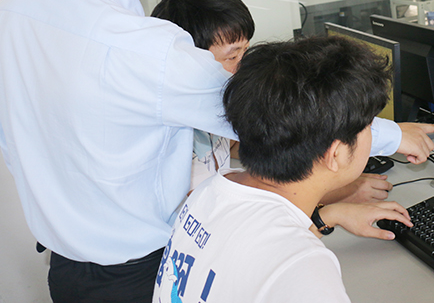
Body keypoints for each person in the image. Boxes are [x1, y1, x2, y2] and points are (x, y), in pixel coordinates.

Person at [0, 0, 434, 300]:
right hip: (140, 276)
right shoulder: (142, 48)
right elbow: (273, 113)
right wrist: (392, 135)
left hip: (66, 274)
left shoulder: (12, 15)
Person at [153, 35, 413, 302]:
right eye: (368, 125)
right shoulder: (304, 270)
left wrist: (327, 217)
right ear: (335, 154)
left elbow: (255, 264)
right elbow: (286, 266)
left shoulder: (209, 191)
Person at [151, 0, 254, 191]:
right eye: (232, 57)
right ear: (189, 60)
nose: (243, 66)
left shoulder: (216, 99)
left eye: (245, 51)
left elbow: (231, 145)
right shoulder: (169, 130)